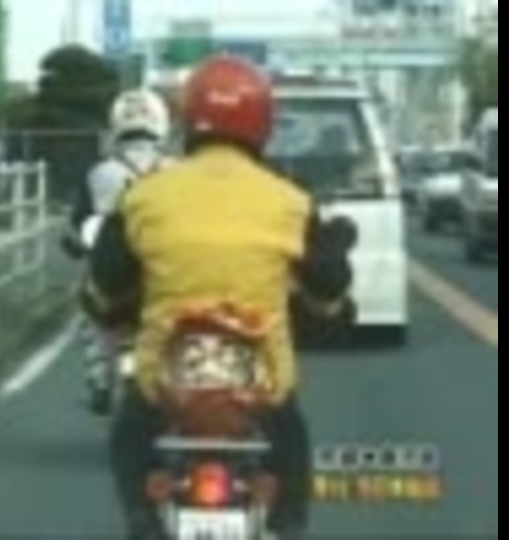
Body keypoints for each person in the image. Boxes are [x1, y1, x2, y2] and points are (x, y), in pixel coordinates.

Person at [81, 55, 356, 539]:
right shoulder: (289, 201)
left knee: (130, 437)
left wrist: (106, 306)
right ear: (262, 123)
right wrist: (329, 308)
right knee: (291, 441)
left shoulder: (146, 196)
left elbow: (104, 286)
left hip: (167, 379)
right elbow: (329, 287)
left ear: (187, 119)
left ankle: (143, 524)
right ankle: (287, 526)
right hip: (260, 383)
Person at [70, 88, 175, 415]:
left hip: (113, 268)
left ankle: (99, 380)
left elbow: (80, 220)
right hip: (167, 269)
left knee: (89, 312)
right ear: (162, 123)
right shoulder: (177, 169)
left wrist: (81, 243)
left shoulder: (99, 172)